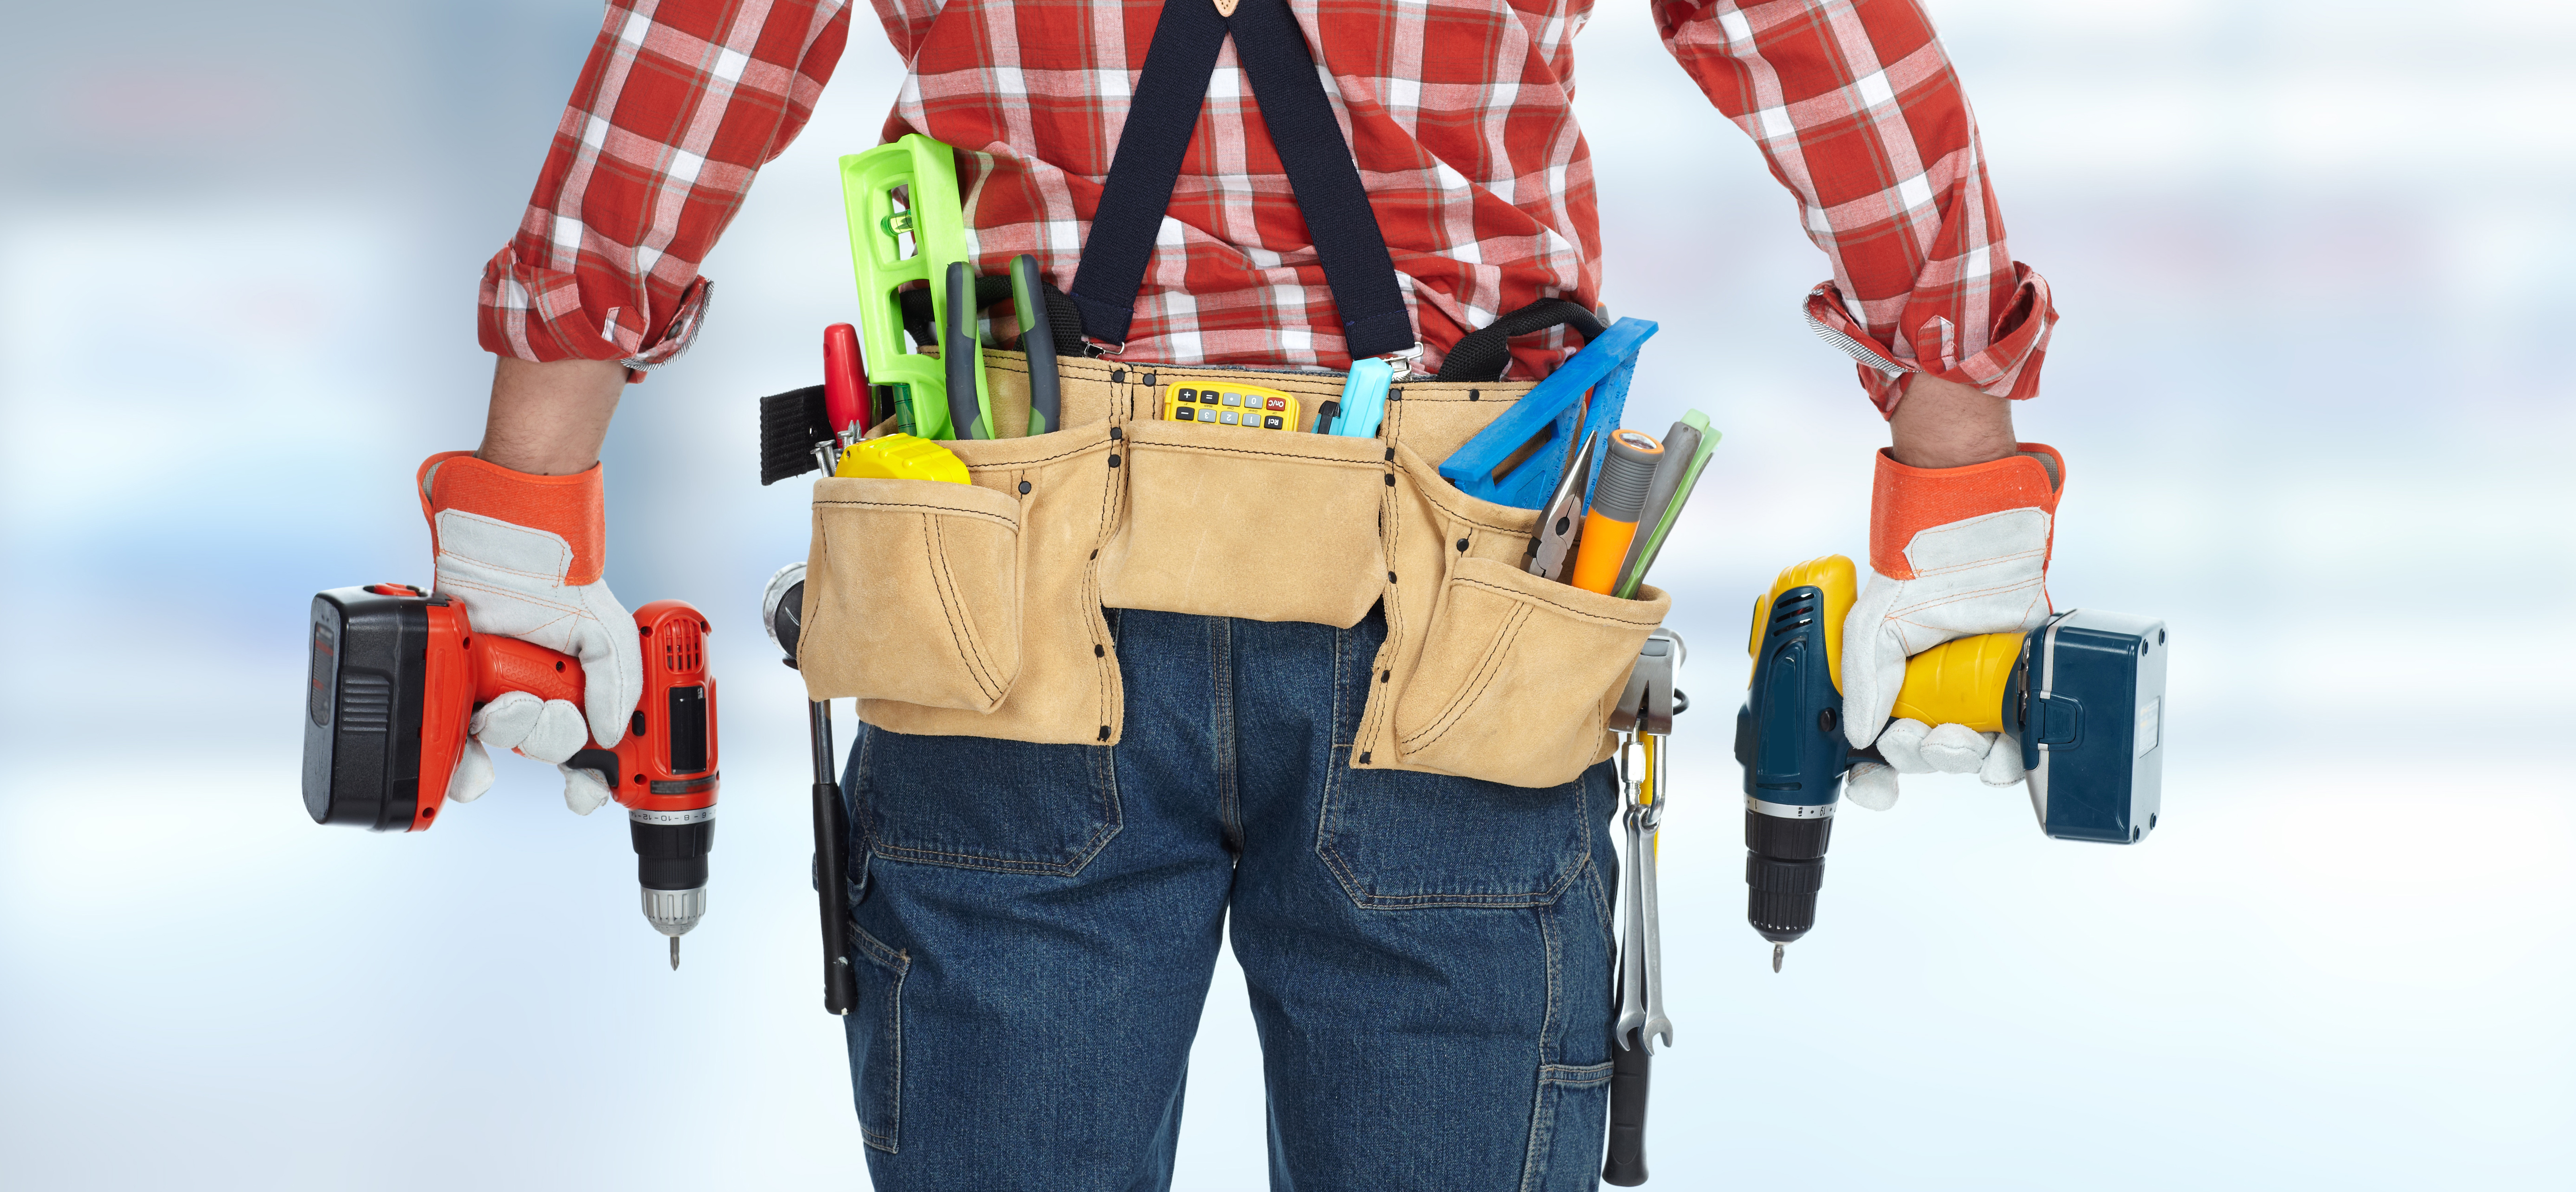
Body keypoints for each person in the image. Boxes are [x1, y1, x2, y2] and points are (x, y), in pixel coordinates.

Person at [423, 0, 2065, 1186]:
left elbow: (697, 55)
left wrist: (524, 512)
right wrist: (1956, 476)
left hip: (1009, 588)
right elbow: (1821, 40)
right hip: (1463, 601)